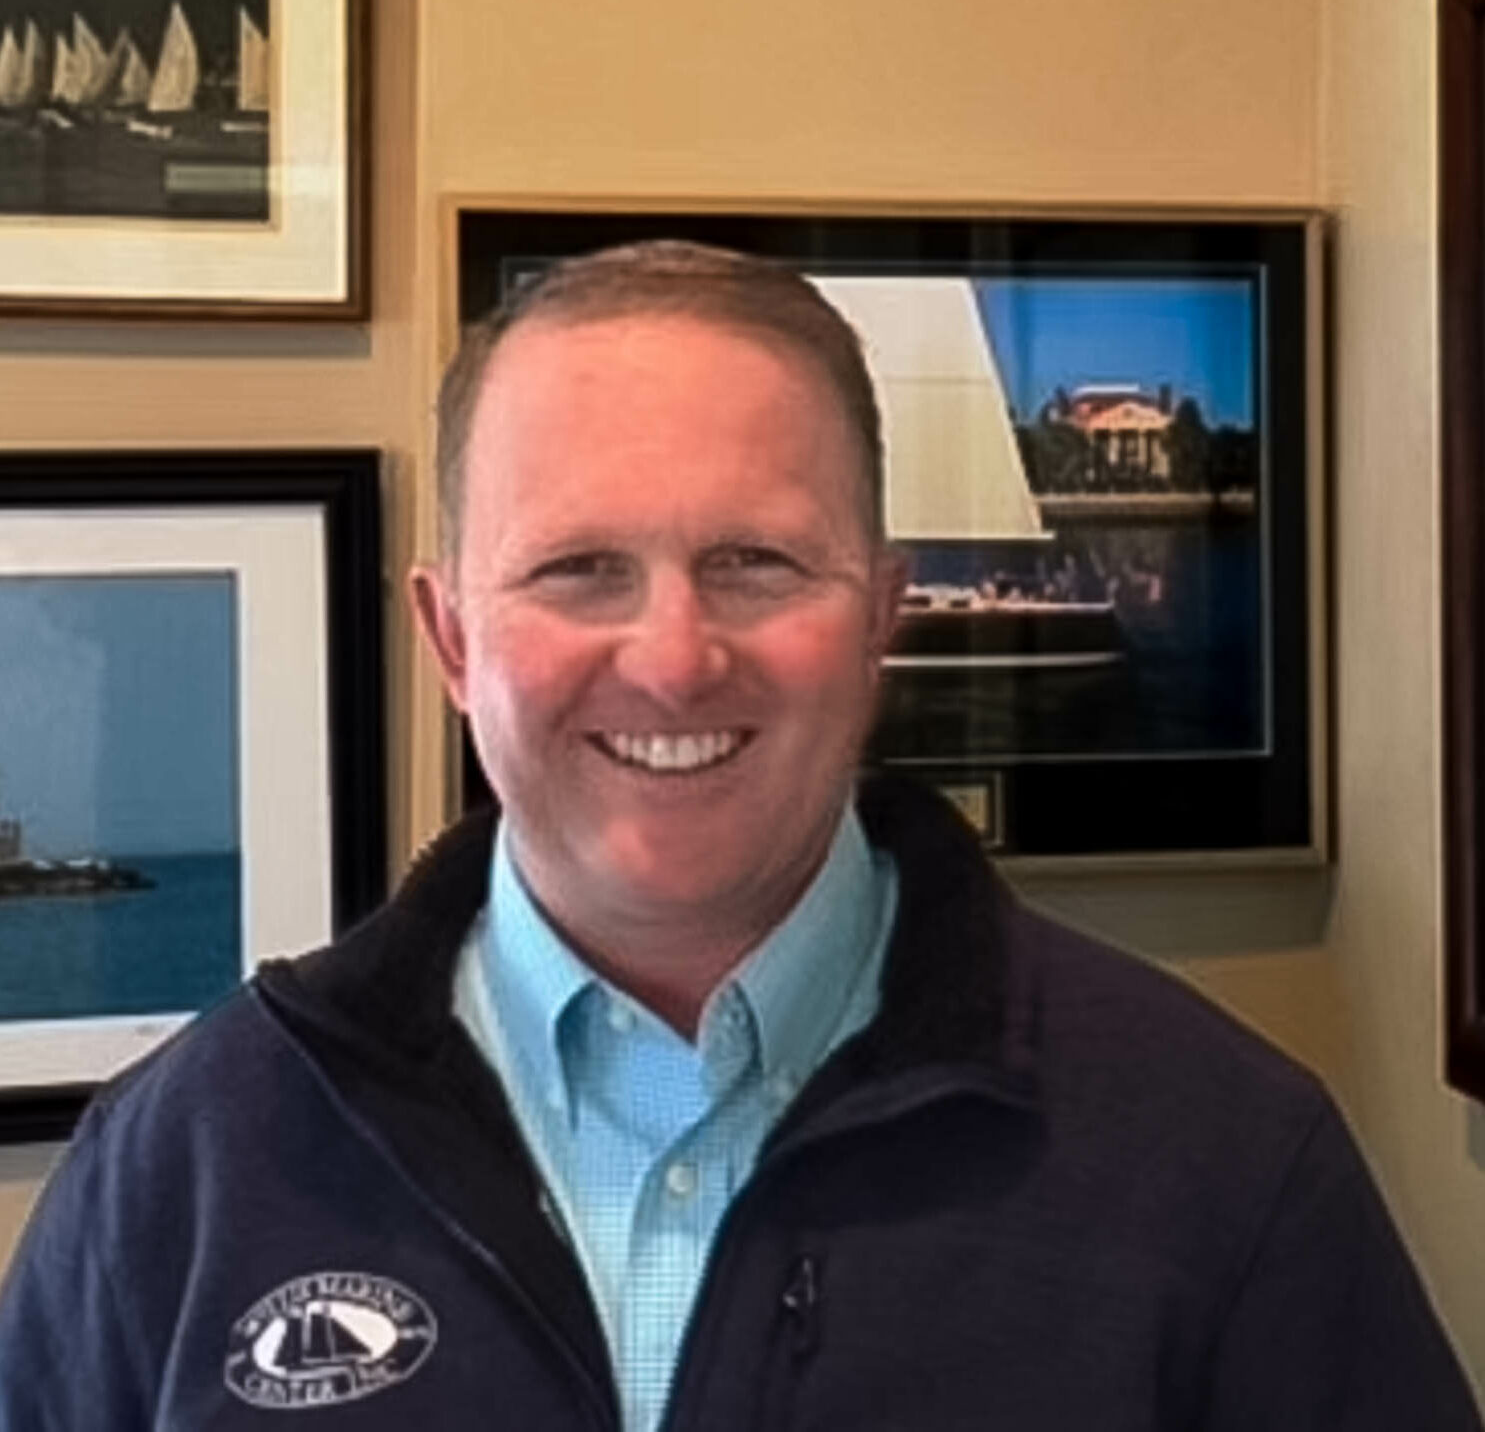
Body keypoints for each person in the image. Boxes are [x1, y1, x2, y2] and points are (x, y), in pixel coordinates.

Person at [0, 242, 1478, 1431]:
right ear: (452, 638)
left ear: (881, 615)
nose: (673, 657)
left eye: (754, 561)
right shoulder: (182, 1168)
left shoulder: (1219, 1160)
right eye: (578, 567)